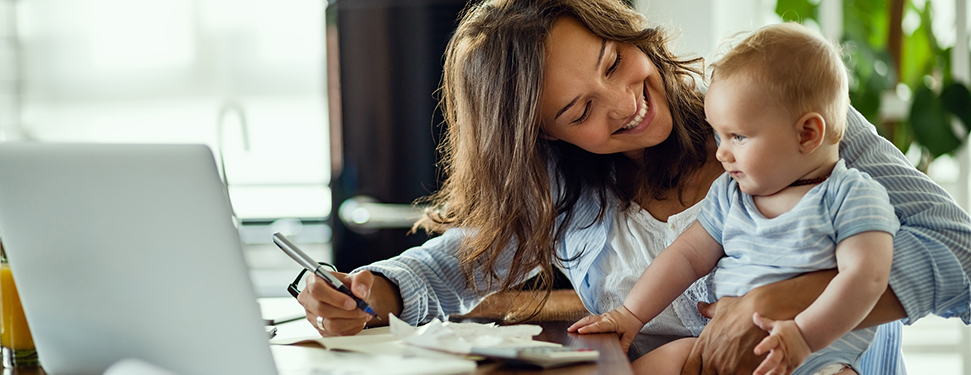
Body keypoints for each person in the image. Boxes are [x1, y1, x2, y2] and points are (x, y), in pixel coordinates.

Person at [295, 0, 971, 373]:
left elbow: (961, 255)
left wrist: (785, 298)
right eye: (579, 111)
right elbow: (456, 262)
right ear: (543, 138)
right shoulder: (567, 189)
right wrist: (370, 292)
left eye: (614, 62)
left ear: (624, 31)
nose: (624, 103)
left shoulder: (785, 117)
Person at [569, 23, 897, 375]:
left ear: (807, 134)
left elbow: (866, 279)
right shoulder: (731, 194)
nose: (721, 153)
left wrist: (803, 336)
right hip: (716, 348)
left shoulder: (851, 197)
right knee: (660, 363)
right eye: (718, 135)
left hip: (815, 358)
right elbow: (686, 257)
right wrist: (630, 314)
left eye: (737, 137)